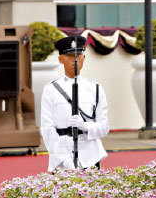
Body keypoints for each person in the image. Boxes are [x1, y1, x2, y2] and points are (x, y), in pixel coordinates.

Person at [40, 35, 110, 171]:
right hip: (62, 159)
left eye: (78, 54)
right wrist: (65, 160)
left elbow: (104, 127)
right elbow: (47, 129)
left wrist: (85, 126)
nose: (75, 59)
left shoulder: (95, 88)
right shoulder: (51, 90)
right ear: (60, 59)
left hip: (91, 157)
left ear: (84, 58)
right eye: (70, 55)